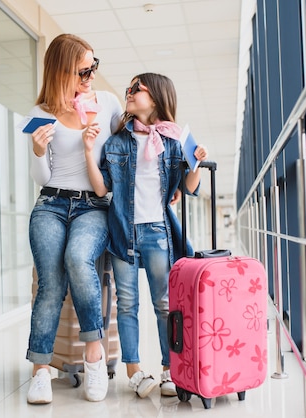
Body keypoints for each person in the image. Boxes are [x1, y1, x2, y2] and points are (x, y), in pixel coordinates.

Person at [83, 73, 208, 398]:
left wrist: (195, 163)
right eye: (128, 89)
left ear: (155, 98)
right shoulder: (116, 142)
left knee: (164, 304)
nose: (128, 93)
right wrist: (87, 152)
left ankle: (171, 370)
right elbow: (101, 188)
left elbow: (187, 188)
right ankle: (134, 372)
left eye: (135, 89)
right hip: (123, 230)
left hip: (157, 232)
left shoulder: (172, 140)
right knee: (127, 304)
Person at [25, 33, 123, 404]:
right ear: (63, 71)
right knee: (50, 283)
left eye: (94, 67)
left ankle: (94, 357)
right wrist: (37, 151)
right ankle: (40, 371)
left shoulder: (108, 103)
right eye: (84, 71)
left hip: (93, 207)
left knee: (78, 259)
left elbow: (125, 152)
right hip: (50, 203)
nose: (91, 77)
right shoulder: (40, 114)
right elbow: (42, 178)